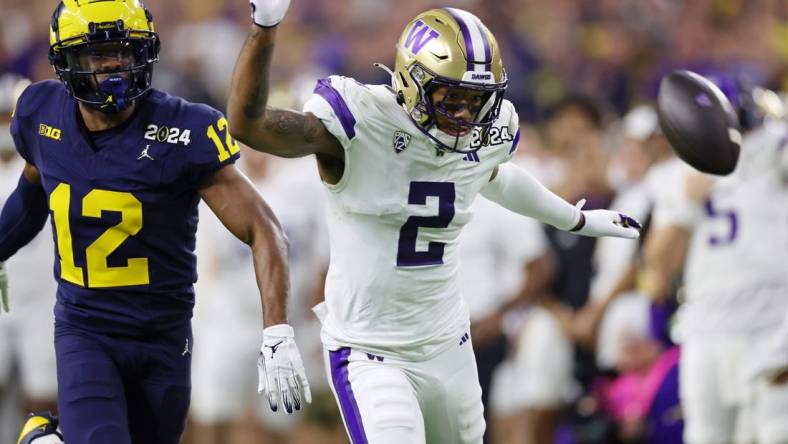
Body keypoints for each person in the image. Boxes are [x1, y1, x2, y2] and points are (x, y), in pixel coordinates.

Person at [227, 2, 641, 442]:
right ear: (411, 81)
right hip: (371, 352)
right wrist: (264, 27)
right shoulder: (361, 121)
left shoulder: (485, 133)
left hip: (448, 346)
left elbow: (493, 176)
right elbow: (248, 125)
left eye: (476, 100)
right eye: (453, 98)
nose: (465, 114)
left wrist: (574, 218)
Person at [0, 1, 309, 443]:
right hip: (87, 330)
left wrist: (277, 328)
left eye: (124, 53)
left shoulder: (184, 129)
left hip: (164, 338)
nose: (114, 69)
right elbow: (32, 197)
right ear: (66, 63)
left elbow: (264, 229)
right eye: (97, 57)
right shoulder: (41, 113)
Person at [642, 76, 788, 444]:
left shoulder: (773, 146)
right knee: (706, 436)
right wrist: (686, 205)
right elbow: (658, 267)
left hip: (772, 321)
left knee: (776, 431)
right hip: (708, 325)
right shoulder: (679, 173)